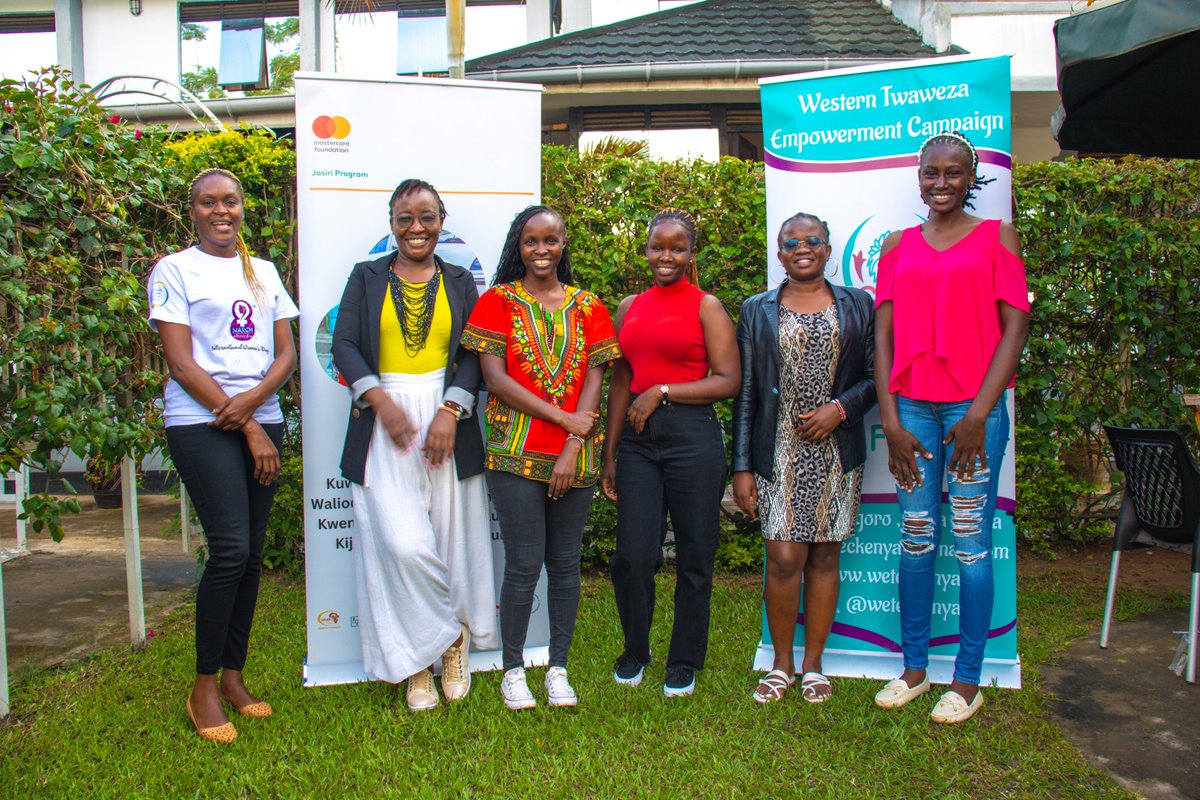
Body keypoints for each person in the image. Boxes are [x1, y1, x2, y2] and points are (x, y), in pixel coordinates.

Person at [872, 132, 1030, 724]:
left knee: (969, 545)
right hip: (910, 408)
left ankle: (967, 680)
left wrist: (978, 416)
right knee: (916, 538)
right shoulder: (897, 244)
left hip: (973, 411)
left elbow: (1014, 328)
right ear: (918, 177)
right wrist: (889, 421)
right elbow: (883, 336)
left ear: (971, 179)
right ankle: (914, 669)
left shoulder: (998, 237)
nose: (941, 184)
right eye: (930, 174)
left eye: (953, 174)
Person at [332, 178, 497, 712]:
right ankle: (427, 649)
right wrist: (381, 402)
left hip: (448, 417)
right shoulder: (366, 276)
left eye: (427, 216)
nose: (416, 228)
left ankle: (446, 650)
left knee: (450, 541)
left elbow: (475, 350)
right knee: (401, 542)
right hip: (385, 417)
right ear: (391, 223)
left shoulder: (458, 280)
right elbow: (344, 344)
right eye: (405, 218)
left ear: (441, 220)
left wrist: (451, 409)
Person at [148, 168, 298, 743]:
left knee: (253, 553)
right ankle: (203, 686)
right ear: (192, 211)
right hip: (200, 423)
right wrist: (249, 427)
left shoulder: (262, 272)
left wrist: (258, 410)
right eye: (208, 202)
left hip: (261, 417)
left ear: (242, 208)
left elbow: (284, 354)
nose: (221, 211)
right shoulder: (174, 270)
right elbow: (182, 364)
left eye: (230, 201)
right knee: (231, 549)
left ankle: (234, 678)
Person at [462, 205, 619, 709]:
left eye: (551, 240)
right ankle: (512, 669)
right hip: (513, 454)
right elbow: (495, 380)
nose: (542, 250)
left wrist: (574, 441)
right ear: (519, 245)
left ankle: (558, 668)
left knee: (566, 564)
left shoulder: (589, 305)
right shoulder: (497, 302)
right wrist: (563, 419)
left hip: (576, 456)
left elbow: (595, 376)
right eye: (531, 241)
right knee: (524, 564)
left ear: (564, 242)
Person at [732, 213, 876, 704]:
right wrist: (742, 465)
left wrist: (840, 410)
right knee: (783, 555)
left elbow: (877, 376)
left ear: (828, 248)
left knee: (824, 554)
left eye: (812, 240)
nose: (802, 247)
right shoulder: (757, 309)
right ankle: (781, 664)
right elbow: (748, 392)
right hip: (780, 448)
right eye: (791, 242)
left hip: (836, 446)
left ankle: (813, 665)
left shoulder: (859, 304)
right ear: (779, 253)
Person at [600, 208, 740, 698]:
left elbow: (728, 380)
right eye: (658, 247)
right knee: (633, 557)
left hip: (691, 439)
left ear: (690, 255)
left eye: (677, 248)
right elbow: (620, 382)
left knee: (695, 555)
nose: (666, 256)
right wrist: (609, 452)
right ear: (646, 250)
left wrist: (662, 389)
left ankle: (684, 659)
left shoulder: (707, 307)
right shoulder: (629, 306)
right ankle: (636, 649)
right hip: (637, 442)